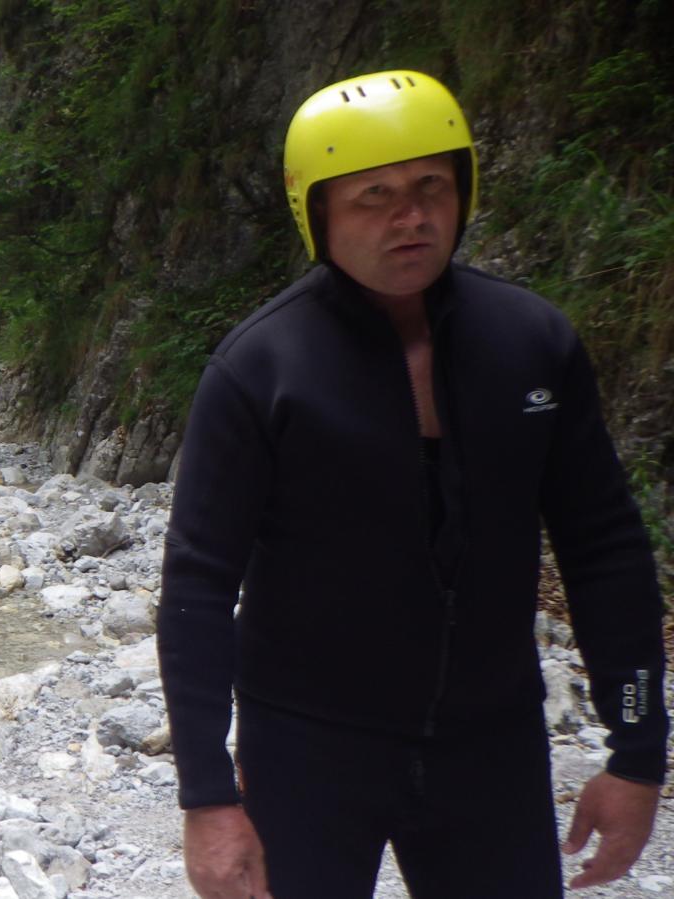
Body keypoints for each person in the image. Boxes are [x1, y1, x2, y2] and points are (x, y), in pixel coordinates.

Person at [158, 70, 667, 899]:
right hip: (308, 744)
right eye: (375, 196)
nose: (412, 216)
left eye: (432, 185)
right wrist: (208, 797)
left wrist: (638, 752)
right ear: (318, 211)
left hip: (491, 743)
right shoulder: (259, 370)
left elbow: (604, 546)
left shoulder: (531, 342)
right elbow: (198, 586)